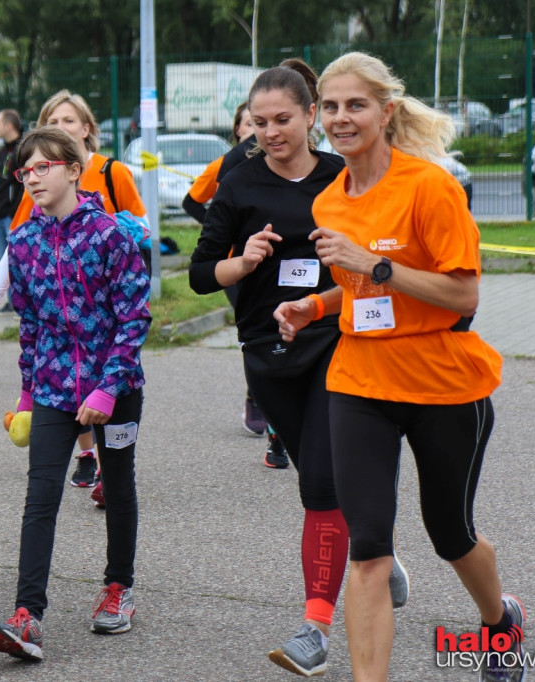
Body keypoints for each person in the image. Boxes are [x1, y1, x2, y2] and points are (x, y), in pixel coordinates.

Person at [275, 51, 523, 682]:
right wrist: (315, 304)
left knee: (450, 534)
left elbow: (462, 295)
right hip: (359, 383)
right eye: (330, 107)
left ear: (386, 111)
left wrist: (373, 263)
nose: (340, 118)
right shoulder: (331, 202)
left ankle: (500, 623)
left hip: (443, 383)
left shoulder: (429, 186)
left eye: (355, 104)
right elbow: (359, 291)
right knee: (369, 551)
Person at [189, 60, 361, 677]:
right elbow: (200, 273)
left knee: (320, 481)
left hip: (337, 340)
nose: (270, 131)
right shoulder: (238, 182)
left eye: (283, 119)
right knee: (318, 481)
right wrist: (246, 260)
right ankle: (370, 551)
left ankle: (314, 627)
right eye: (260, 122)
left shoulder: (345, 178)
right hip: (266, 349)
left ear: (312, 115)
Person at [0, 126, 150, 661]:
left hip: (115, 389)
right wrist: (29, 392)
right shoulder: (24, 242)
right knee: (40, 497)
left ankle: (118, 588)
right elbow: (30, 326)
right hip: (54, 389)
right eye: (24, 170)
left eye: (42, 168)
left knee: (117, 486)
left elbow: (133, 318)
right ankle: (27, 615)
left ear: (73, 170)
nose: (31, 178)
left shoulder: (111, 235)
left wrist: (107, 387)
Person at [0, 89, 148, 492]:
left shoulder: (111, 173)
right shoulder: (37, 187)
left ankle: (106, 465)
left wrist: (119, 230)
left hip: (107, 331)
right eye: (50, 122)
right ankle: (87, 453)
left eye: (67, 121)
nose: (59, 128)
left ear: (84, 130)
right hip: (56, 368)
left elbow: (141, 225)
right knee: (42, 487)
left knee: (119, 470)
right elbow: (17, 253)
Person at [179, 100, 288, 465]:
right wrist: (221, 224)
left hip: (279, 263)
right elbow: (191, 201)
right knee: (258, 335)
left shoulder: (292, 165)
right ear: (239, 131)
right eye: (250, 124)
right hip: (230, 264)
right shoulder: (227, 166)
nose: (256, 131)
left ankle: (277, 416)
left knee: (284, 333)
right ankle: (260, 401)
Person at [0, 108, 25, 271]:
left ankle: (16, 298)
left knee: (15, 267)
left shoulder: (22, 150)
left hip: (11, 217)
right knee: (3, 269)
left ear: (9, 126)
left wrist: (13, 212)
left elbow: (24, 184)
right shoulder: (3, 151)